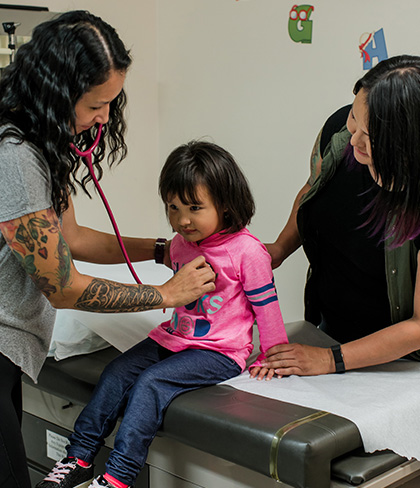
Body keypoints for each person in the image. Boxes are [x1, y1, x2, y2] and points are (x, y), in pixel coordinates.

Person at [0, 11, 216, 488]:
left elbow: (72, 241)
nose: (104, 118)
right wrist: (168, 293)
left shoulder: (41, 146)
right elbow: (62, 286)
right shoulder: (15, 158)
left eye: (111, 104)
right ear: (56, 93)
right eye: (96, 104)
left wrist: (162, 249)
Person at [36, 140, 288, 488]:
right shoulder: (180, 245)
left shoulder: (248, 252)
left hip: (219, 352)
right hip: (175, 338)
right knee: (116, 373)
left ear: (226, 204)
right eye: (173, 207)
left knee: (150, 384)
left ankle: (117, 477)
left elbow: (267, 308)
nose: (182, 220)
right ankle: (77, 458)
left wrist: (273, 354)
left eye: (194, 208)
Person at [256, 55, 420, 379]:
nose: (354, 137)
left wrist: (329, 360)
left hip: (401, 365)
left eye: (368, 135)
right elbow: (310, 190)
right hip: (329, 329)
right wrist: (278, 249)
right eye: (354, 117)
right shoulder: (339, 133)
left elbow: (418, 326)